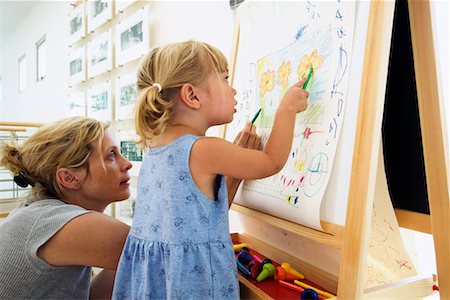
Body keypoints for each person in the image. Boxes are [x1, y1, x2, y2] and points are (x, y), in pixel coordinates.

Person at [112, 40, 309, 299]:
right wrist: (287, 109)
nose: (234, 90)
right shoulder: (205, 149)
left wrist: (235, 166)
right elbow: (272, 161)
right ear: (192, 96)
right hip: (196, 284)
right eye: (225, 79)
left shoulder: (155, 149)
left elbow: (196, 219)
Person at [0, 116, 133, 299]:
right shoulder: (58, 222)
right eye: (111, 155)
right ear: (69, 178)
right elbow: (164, 252)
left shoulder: (37, 213)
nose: (127, 164)